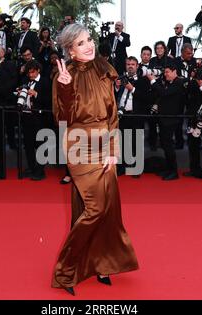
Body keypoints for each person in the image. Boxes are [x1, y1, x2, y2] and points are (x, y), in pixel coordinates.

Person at [52, 23, 138, 295]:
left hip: (105, 143)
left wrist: (114, 149)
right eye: (80, 43)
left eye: (89, 39)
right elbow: (63, 119)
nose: (88, 45)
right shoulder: (63, 76)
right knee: (95, 209)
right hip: (80, 146)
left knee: (108, 208)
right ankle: (65, 271)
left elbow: (113, 114)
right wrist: (65, 89)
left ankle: (100, 263)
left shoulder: (103, 68)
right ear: (70, 51)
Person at [147, 63, 186, 181]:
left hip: (171, 120)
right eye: (165, 72)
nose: (165, 75)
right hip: (164, 119)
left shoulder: (178, 83)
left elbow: (164, 93)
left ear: (175, 72)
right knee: (165, 145)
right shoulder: (170, 83)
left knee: (168, 146)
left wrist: (153, 81)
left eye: (167, 72)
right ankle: (169, 169)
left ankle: (174, 172)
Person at [115, 56, 151, 177]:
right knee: (122, 142)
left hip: (136, 114)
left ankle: (137, 168)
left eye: (133, 64)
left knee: (137, 143)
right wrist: (117, 87)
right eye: (128, 64)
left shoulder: (143, 80)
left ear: (137, 66)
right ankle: (121, 167)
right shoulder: (120, 79)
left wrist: (133, 89)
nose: (130, 66)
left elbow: (146, 98)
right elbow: (114, 96)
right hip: (122, 115)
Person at [19, 60, 51, 181]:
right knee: (28, 145)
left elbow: (49, 100)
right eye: (28, 73)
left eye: (32, 72)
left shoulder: (45, 82)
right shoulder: (25, 81)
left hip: (39, 118)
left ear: (38, 70)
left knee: (41, 145)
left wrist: (36, 94)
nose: (30, 75)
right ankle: (31, 167)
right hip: (26, 117)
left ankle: (40, 170)